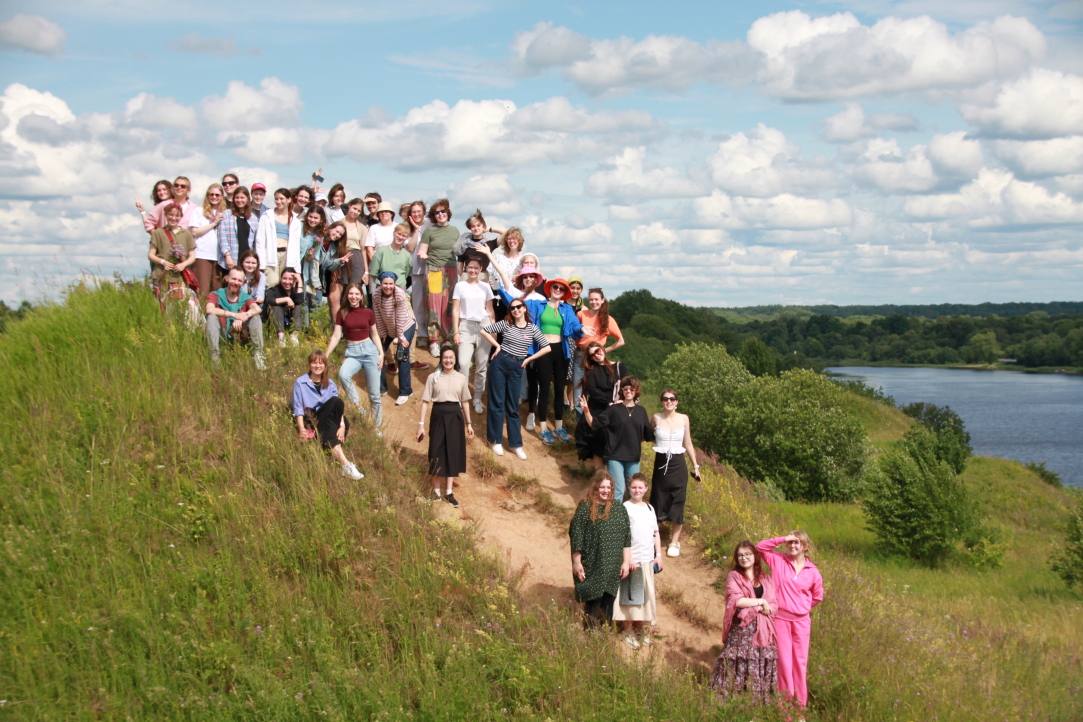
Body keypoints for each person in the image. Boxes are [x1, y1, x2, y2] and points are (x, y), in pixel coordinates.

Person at [756, 532, 824, 711]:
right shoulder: (778, 560)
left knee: (799, 665)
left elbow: (817, 596)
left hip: (801, 622)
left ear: (805, 547)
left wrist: (802, 607)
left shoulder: (813, 571)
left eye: (797, 543)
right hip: (780, 619)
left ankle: (799, 710)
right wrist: (783, 539)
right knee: (784, 664)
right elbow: (761, 547)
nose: (793, 546)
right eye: (791, 543)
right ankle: (785, 710)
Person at [479, 301, 550, 459]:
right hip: (500, 363)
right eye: (512, 308)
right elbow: (484, 331)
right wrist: (497, 346)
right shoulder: (506, 324)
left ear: (524, 308)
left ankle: (515, 444)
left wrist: (528, 359)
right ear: (510, 311)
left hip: (518, 366)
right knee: (497, 403)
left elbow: (547, 347)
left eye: (519, 307)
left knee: (513, 406)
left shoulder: (532, 328)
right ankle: (495, 440)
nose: (516, 310)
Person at [711, 541, 778, 704]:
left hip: (763, 631)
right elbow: (736, 600)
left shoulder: (766, 578)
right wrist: (760, 602)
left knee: (760, 662)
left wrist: (764, 606)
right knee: (738, 663)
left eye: (747, 554)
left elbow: (773, 603)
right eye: (740, 555)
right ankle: (733, 703)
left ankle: (758, 703)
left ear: (755, 556)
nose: (744, 558)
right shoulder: (734, 576)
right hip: (742, 631)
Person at [517, 277, 581, 445]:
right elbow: (516, 303)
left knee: (560, 390)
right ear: (550, 288)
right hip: (543, 350)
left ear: (564, 292)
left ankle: (559, 427)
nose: (558, 290)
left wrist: (581, 328)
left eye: (561, 288)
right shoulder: (538, 305)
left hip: (561, 350)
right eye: (555, 287)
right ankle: (544, 429)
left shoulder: (567, 309)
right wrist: (500, 288)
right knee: (544, 389)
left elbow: (574, 325)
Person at [569, 473, 633, 628]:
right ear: (596, 487)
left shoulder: (619, 509)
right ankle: (590, 639)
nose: (606, 490)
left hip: (613, 566)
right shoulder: (585, 508)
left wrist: (626, 562)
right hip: (592, 565)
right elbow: (576, 536)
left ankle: (603, 639)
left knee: (608, 604)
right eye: (602, 487)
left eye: (609, 487)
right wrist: (577, 562)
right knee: (593, 604)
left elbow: (626, 537)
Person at [416, 345, 475, 508]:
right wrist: (420, 425)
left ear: (455, 360)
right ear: (441, 360)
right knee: (436, 451)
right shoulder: (432, 378)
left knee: (452, 453)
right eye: (445, 357)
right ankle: (435, 493)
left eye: (451, 357)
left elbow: (464, 402)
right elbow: (425, 402)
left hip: (455, 417)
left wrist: (469, 423)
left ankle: (448, 493)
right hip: (438, 415)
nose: (448, 360)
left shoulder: (461, 378)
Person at [292, 350, 364, 480]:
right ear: (309, 364)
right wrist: (302, 429)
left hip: (328, 419)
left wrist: (341, 426)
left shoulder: (330, 384)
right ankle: (346, 464)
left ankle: (340, 459)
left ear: (325, 366)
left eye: (321, 363)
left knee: (340, 417)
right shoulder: (300, 382)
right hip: (312, 417)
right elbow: (298, 408)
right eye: (314, 363)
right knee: (336, 402)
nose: (317, 366)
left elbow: (337, 411)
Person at [612, 473, 663, 649]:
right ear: (629, 488)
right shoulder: (625, 507)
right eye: (634, 487)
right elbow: (621, 535)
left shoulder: (649, 508)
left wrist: (658, 555)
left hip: (648, 560)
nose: (637, 490)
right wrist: (629, 558)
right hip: (633, 561)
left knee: (645, 597)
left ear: (646, 489)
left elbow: (655, 533)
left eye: (640, 487)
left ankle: (639, 629)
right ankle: (626, 631)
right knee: (630, 597)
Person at [325, 283, 384, 430]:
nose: (353, 297)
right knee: (343, 374)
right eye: (351, 294)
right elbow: (337, 335)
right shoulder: (342, 312)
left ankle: (377, 428)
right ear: (347, 296)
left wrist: (381, 352)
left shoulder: (368, 312)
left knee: (374, 395)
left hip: (369, 350)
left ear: (361, 296)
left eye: (357, 294)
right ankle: (359, 407)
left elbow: (374, 334)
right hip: (352, 351)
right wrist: (326, 354)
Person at [651, 388, 701, 558]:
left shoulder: (684, 418)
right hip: (661, 463)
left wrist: (696, 467)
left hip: (678, 464)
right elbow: (646, 435)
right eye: (665, 399)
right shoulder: (656, 418)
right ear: (661, 401)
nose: (669, 402)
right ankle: (654, 539)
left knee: (678, 500)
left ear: (677, 401)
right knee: (657, 499)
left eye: (672, 399)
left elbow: (688, 443)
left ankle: (674, 541)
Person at [590, 376, 655, 502]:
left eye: (631, 389)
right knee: (618, 489)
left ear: (636, 391)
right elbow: (595, 423)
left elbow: (648, 435)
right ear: (622, 391)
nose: (628, 391)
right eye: (625, 389)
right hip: (615, 456)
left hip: (633, 457)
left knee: (635, 490)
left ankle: (632, 519)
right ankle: (614, 519)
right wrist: (586, 410)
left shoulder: (641, 411)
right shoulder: (614, 409)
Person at [452, 257, 495, 416]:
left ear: (480, 269)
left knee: (482, 364)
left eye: (476, 268)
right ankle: (462, 397)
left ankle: (477, 397)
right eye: (470, 267)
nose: (473, 271)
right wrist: (456, 331)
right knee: (463, 363)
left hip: (484, 325)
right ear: (466, 268)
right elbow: (456, 310)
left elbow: (490, 310)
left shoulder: (485, 287)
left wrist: (494, 330)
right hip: (466, 325)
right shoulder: (459, 285)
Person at [417, 199, 460, 357]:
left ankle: (447, 339)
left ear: (448, 213)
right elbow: (422, 249)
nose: (440, 215)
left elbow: (460, 251)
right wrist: (423, 254)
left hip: (451, 270)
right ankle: (434, 340)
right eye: (437, 212)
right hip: (434, 269)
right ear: (433, 216)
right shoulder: (429, 231)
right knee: (434, 305)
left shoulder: (455, 231)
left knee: (449, 305)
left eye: (443, 211)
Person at [575, 343, 628, 470]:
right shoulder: (592, 370)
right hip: (599, 408)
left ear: (603, 349)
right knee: (597, 443)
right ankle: (599, 478)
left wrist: (621, 401)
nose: (596, 356)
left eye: (597, 351)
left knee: (616, 442)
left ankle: (614, 477)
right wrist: (609, 402)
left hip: (618, 407)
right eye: (592, 355)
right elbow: (592, 390)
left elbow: (628, 385)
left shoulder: (620, 366)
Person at [573, 288, 624, 414]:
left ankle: (597, 422)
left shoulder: (607, 319)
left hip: (597, 359)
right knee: (578, 393)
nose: (594, 302)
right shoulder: (581, 314)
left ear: (602, 300)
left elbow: (621, 341)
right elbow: (573, 331)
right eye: (591, 299)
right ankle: (582, 423)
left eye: (596, 299)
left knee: (596, 391)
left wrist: (604, 350)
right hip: (580, 355)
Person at [205, 266, 265, 369]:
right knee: (211, 317)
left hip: (240, 335)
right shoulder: (216, 294)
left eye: (239, 280)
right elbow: (209, 309)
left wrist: (242, 317)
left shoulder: (245, 296)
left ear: (243, 282)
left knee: (255, 317)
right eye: (233, 279)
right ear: (227, 278)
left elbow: (257, 308)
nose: (236, 283)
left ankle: (258, 355)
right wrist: (235, 315)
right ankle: (214, 356)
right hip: (221, 334)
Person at [147, 203, 199, 320]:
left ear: (181, 216)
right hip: (162, 276)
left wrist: (183, 264)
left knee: (182, 308)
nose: (173, 218)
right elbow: (151, 254)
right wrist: (163, 262)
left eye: (176, 216)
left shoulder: (186, 234)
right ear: (166, 215)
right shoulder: (158, 233)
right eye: (170, 215)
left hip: (180, 278)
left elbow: (192, 256)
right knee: (162, 308)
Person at [371, 271, 415, 405]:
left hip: (405, 326)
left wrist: (401, 338)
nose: (388, 286)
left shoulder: (400, 295)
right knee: (378, 353)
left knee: (402, 354)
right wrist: (382, 334)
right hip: (388, 328)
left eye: (391, 284)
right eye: (385, 283)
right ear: (380, 283)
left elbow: (401, 317)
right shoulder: (376, 295)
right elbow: (377, 316)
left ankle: (405, 391)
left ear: (394, 284)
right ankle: (382, 388)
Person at [255, 188, 302, 288]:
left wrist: (297, 267)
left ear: (288, 200)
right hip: (271, 253)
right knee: (272, 282)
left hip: (287, 254)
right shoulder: (267, 216)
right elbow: (260, 240)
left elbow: (296, 244)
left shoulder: (295, 219)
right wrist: (261, 263)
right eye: (276, 199)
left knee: (286, 283)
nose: (279, 201)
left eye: (281, 199)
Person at [403, 200, 430, 360]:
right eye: (414, 211)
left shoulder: (431, 224)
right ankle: (422, 334)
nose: (417, 214)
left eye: (419, 211)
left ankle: (435, 336)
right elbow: (411, 247)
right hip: (415, 269)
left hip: (431, 268)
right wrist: (415, 229)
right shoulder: (407, 228)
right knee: (418, 303)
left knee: (432, 304)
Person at [189, 183, 226, 295]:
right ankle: (201, 312)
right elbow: (194, 232)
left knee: (218, 291)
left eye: (217, 195)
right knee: (202, 290)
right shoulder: (199, 211)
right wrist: (214, 223)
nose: (214, 197)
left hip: (220, 257)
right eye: (211, 194)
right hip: (202, 254)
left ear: (222, 196)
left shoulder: (225, 213)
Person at [486, 227, 525, 320]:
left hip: (514, 299)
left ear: (519, 241)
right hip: (498, 298)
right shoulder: (499, 257)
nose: (511, 241)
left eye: (514, 238)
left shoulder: (523, 259)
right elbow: (491, 274)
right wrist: (494, 283)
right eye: (509, 239)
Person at [218, 185, 255, 272]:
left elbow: (254, 242)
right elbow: (222, 237)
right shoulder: (227, 215)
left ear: (247, 199)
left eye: (242, 197)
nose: (239, 200)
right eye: (237, 198)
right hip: (231, 259)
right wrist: (227, 256)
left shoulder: (253, 218)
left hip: (246, 261)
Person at [266, 267, 305, 346]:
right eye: (284, 278)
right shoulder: (274, 290)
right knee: (276, 307)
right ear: (281, 279)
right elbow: (268, 300)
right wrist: (286, 299)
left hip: (291, 321)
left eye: (290, 279)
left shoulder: (295, 291)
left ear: (294, 280)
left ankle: (294, 336)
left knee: (299, 307)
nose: (287, 282)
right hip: (277, 321)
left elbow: (300, 302)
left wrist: (300, 282)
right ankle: (281, 337)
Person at [342, 198, 370, 286]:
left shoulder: (362, 228)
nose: (356, 212)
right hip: (341, 256)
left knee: (355, 287)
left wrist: (366, 271)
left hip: (357, 257)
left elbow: (364, 250)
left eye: (359, 210)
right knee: (341, 289)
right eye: (354, 208)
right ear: (349, 206)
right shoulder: (339, 223)